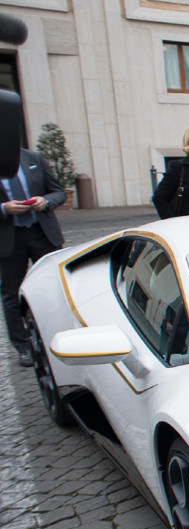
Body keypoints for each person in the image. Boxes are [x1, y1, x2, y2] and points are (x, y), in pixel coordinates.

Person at [0, 148, 66, 367]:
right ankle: (23, 346)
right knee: (11, 294)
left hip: (42, 233)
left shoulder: (33, 158)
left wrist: (45, 201)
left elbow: (58, 192)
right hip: (9, 238)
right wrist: (4, 208)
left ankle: (60, 337)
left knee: (55, 288)